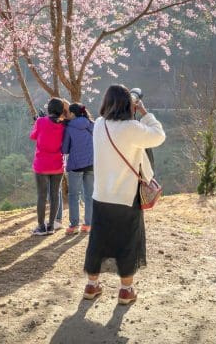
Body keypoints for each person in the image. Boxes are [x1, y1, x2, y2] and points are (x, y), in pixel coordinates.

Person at [83, 85, 166, 305]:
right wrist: (145, 112)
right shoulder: (132, 127)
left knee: (98, 241)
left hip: (101, 194)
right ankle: (126, 290)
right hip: (126, 196)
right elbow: (159, 136)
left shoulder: (99, 125)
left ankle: (92, 285)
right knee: (128, 241)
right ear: (129, 104)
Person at [30, 97, 67, 236]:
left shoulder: (40, 121)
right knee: (55, 195)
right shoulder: (64, 125)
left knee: (42, 195)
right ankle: (51, 226)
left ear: (49, 109)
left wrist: (38, 122)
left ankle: (41, 227)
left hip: (41, 165)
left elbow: (33, 136)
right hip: (57, 164)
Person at [61, 103, 95, 235]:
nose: (67, 114)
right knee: (89, 195)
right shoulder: (91, 124)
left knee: (74, 195)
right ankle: (88, 224)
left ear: (73, 114)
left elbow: (65, 149)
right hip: (92, 163)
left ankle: (74, 225)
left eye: (69, 112)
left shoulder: (69, 128)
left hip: (76, 165)